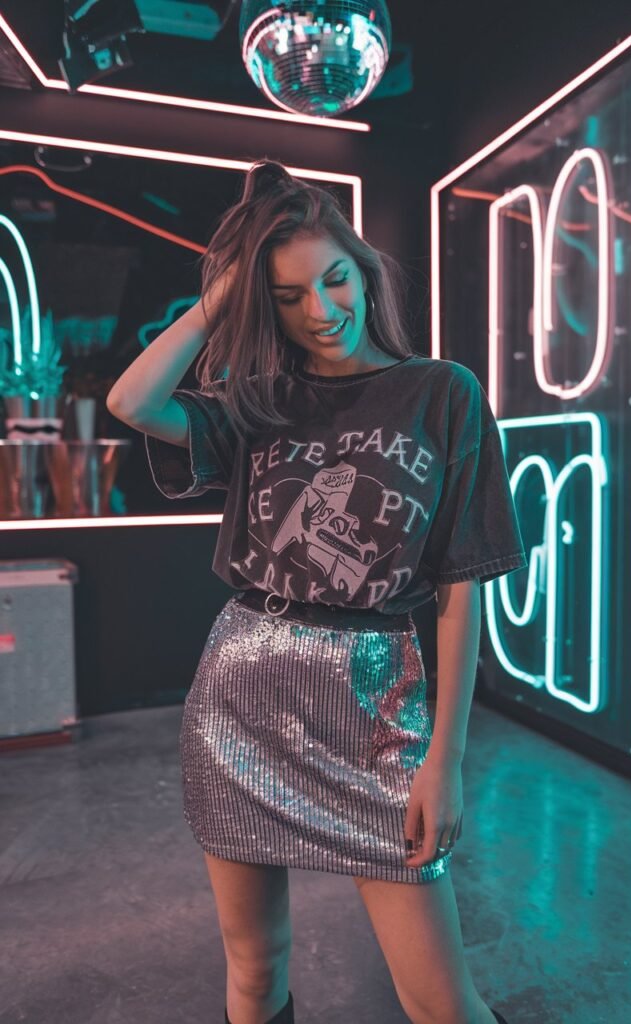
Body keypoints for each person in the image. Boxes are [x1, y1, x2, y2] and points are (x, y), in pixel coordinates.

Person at [107, 159, 526, 1024]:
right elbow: (131, 400)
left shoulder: (441, 394)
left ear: (364, 272)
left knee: (445, 1002)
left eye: (335, 281)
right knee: (255, 972)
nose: (323, 312)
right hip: (241, 692)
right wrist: (221, 302)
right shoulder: (260, 401)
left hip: (375, 695)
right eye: (289, 296)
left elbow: (458, 583)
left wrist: (443, 761)